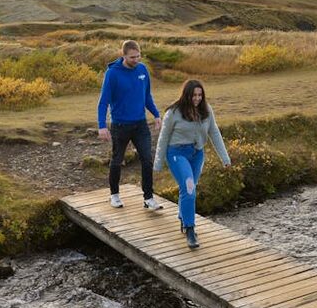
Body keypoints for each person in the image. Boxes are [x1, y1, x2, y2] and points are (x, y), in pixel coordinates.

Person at [153, 79, 231, 249]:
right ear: (186, 95)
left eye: (200, 95)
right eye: (194, 95)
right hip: (177, 153)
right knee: (189, 188)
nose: (197, 98)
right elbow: (163, 137)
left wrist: (225, 158)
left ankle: (183, 217)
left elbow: (214, 133)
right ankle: (190, 230)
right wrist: (158, 163)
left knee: (189, 188)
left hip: (197, 154)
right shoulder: (173, 113)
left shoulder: (206, 110)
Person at [98, 40, 163, 210]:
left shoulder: (142, 70)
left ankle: (148, 199)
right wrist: (102, 126)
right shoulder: (112, 73)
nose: (136, 60)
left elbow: (147, 96)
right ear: (124, 56)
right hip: (120, 126)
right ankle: (114, 195)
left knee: (147, 160)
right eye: (132, 57)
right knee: (117, 161)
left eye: (138, 56)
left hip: (140, 124)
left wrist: (156, 114)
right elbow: (103, 102)